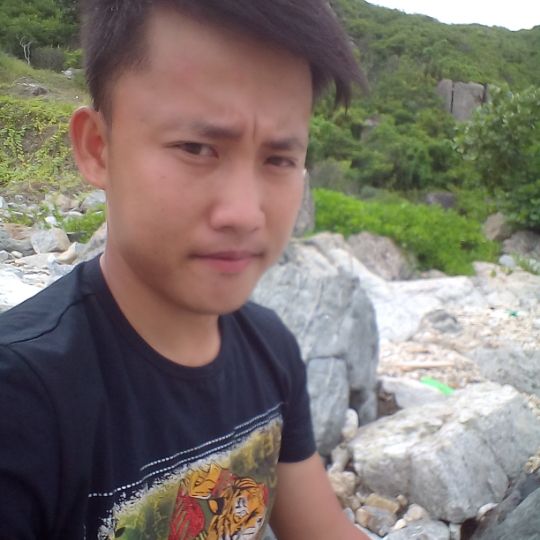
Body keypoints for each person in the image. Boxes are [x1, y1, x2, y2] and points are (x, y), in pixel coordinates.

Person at [0, 1, 369, 538]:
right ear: (98, 148)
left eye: (278, 159)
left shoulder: (270, 350)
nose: (244, 213)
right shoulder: (21, 399)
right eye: (197, 148)